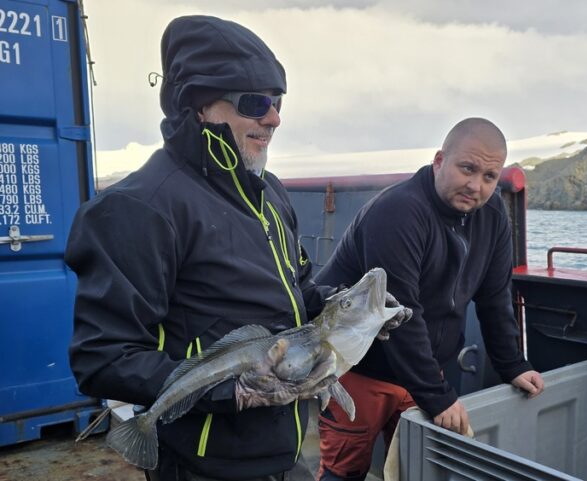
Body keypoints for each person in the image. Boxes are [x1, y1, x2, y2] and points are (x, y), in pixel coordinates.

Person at [65, 15, 408, 481]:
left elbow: (299, 293)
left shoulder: (270, 195)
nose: (274, 117)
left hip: (283, 452)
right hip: (203, 463)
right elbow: (103, 357)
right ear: (199, 105)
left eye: (278, 101)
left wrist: (350, 310)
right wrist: (232, 389)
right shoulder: (140, 207)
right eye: (255, 102)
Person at [314, 118, 545, 481]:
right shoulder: (398, 212)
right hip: (360, 367)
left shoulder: (494, 214)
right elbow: (401, 312)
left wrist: (512, 364)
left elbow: (495, 297)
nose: (476, 185)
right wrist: (438, 396)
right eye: (467, 168)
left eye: (489, 176)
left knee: (415, 470)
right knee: (344, 471)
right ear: (439, 161)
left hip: (422, 368)